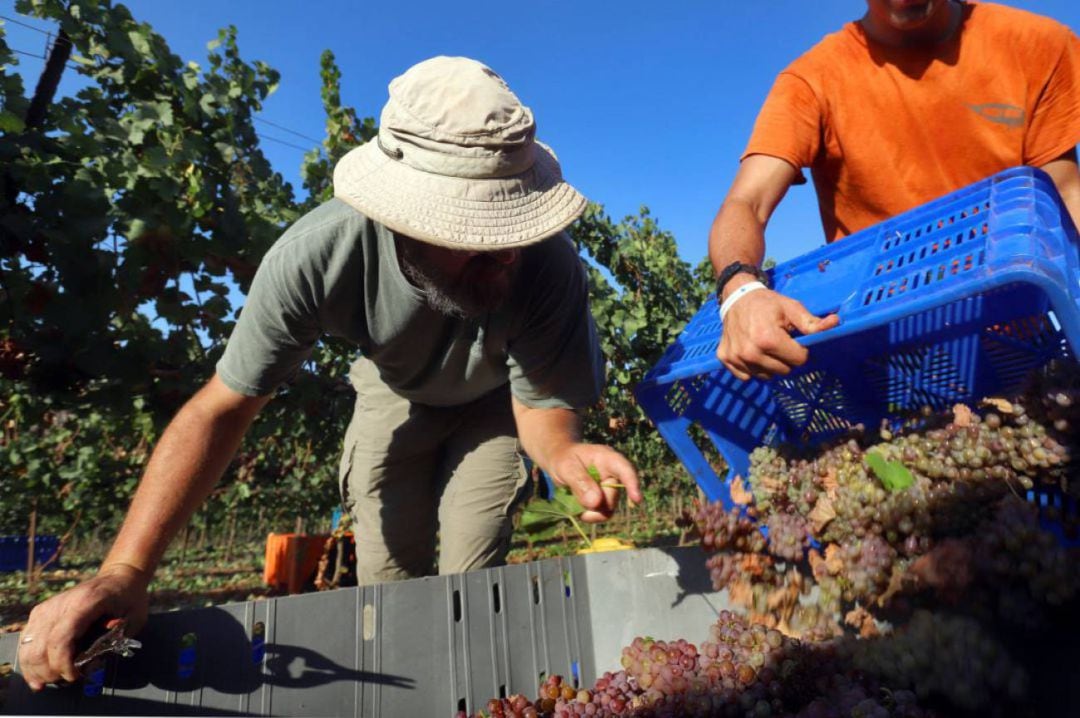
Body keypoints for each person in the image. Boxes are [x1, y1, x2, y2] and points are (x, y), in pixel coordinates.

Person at [16, 55, 643, 691]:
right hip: (391, 394)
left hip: (495, 407)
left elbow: (541, 407)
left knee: (470, 570)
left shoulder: (548, 266)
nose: (503, 252)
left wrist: (563, 455)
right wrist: (126, 570)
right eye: (473, 238)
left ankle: (469, 695)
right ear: (401, 219)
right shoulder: (317, 254)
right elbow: (221, 409)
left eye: (509, 227)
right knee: (388, 572)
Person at [710, 0, 1080, 382]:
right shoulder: (811, 80)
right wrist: (740, 291)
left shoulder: (1036, 44)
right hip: (888, 355)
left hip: (1019, 341)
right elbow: (746, 202)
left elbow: (1066, 193)